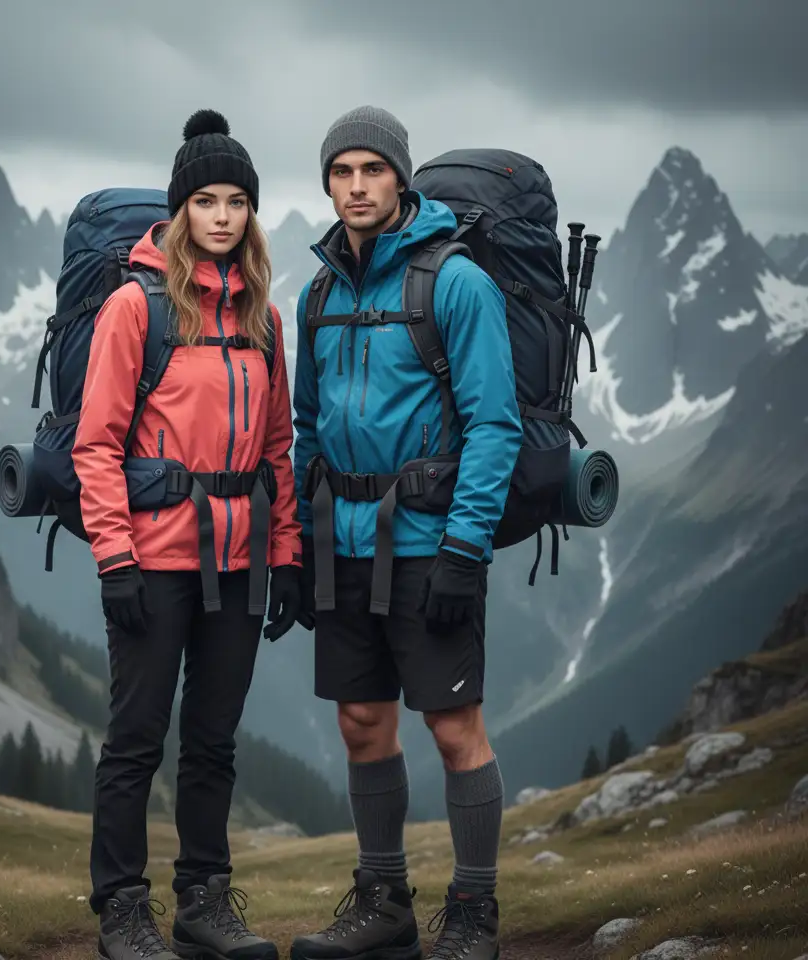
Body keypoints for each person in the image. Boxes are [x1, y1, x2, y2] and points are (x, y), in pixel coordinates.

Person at [289, 106, 523, 960]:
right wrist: (294, 547)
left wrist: (465, 548)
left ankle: (473, 917)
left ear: (400, 179)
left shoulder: (455, 282)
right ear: (328, 182)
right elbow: (305, 429)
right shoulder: (317, 292)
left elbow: (495, 426)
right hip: (341, 542)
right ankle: (383, 904)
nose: (356, 187)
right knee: (361, 719)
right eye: (341, 172)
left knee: (454, 725)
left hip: (431, 540)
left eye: (372, 171)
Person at [72, 108, 303, 960]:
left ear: (250, 213)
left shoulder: (264, 321)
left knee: (212, 741)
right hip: (153, 562)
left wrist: (286, 558)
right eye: (204, 199)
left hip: (239, 565)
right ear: (177, 213)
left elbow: (277, 449)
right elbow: (97, 445)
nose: (221, 216)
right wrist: (114, 560)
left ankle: (205, 901)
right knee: (135, 739)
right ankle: (122, 909)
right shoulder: (138, 309)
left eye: (236, 200)